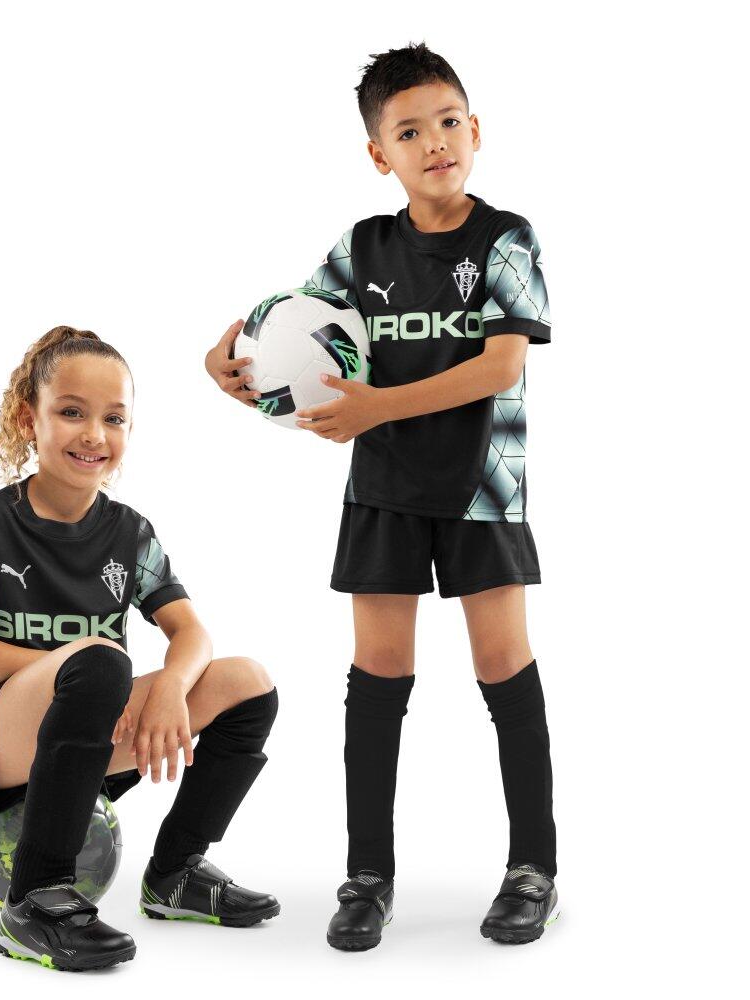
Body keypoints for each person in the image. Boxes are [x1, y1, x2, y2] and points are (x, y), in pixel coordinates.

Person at [205, 42, 557, 949]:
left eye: (448, 122)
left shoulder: (507, 239)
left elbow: (500, 366)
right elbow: (290, 328)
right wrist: (229, 364)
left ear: (475, 130)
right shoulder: (361, 249)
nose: (434, 141)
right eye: (409, 131)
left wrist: (377, 407)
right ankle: (367, 876)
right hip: (384, 488)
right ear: (378, 154)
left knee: (502, 667)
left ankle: (534, 869)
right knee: (378, 675)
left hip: (484, 486)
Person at [0, 326, 279, 972]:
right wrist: (74, 668)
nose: (94, 434)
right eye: (72, 412)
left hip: (94, 718)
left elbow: (192, 633)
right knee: (98, 660)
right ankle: (32, 902)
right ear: (28, 420)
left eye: (113, 418)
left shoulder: (130, 532)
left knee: (247, 683)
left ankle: (175, 872)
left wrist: (171, 685)